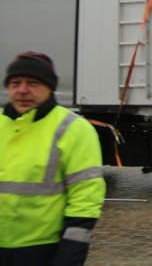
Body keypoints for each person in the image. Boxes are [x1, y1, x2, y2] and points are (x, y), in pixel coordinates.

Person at [1, 51, 106, 265]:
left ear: (50, 87)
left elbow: (85, 199)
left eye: (32, 83)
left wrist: (70, 255)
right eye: (15, 83)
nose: (22, 90)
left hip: (41, 251)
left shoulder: (74, 129)